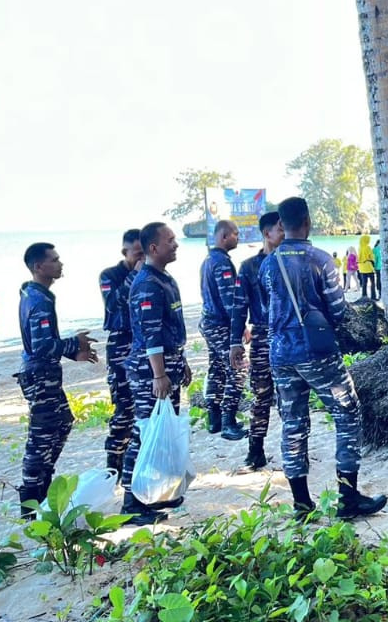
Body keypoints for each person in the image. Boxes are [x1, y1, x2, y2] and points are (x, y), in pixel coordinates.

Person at [262, 197, 387, 519]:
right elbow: (338, 310)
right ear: (307, 221)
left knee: (293, 424)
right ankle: (348, 498)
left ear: (281, 224)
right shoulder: (320, 259)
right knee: (347, 413)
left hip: (280, 353)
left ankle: (302, 504)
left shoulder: (269, 263)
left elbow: (266, 310)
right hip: (317, 353)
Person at [17, 242, 99, 517]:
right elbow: (41, 346)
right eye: (54, 260)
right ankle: (31, 503)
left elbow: (43, 342)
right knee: (40, 440)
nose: (60, 264)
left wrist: (73, 353)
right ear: (38, 267)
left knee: (62, 423)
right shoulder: (38, 299)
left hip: (45, 374)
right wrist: (74, 343)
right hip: (40, 377)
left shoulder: (37, 294)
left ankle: (42, 489)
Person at [121, 222, 192, 526]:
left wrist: (181, 361)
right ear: (153, 248)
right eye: (170, 240)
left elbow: (169, 328)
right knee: (146, 432)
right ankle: (131, 502)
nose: (175, 244)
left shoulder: (164, 278)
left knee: (163, 431)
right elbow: (150, 333)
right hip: (149, 370)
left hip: (168, 364)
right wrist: (159, 375)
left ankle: (157, 494)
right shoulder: (148, 284)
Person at [235, 210, 283, 470]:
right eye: (280, 228)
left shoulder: (291, 261)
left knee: (290, 396)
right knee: (261, 394)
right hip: (262, 335)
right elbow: (239, 307)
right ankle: (255, 450)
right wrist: (235, 342)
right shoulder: (249, 267)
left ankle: (296, 450)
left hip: (288, 335)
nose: (285, 233)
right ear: (267, 233)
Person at [98, 229, 143, 475]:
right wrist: (134, 274)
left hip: (142, 342)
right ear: (124, 252)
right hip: (120, 344)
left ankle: (135, 461)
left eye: (144, 253)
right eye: (137, 253)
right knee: (124, 406)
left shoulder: (151, 273)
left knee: (144, 405)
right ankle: (114, 461)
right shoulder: (110, 275)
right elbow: (113, 303)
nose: (141, 258)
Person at [199, 220, 247, 441]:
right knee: (238, 369)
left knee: (217, 369)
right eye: (236, 234)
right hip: (220, 325)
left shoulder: (209, 260)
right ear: (224, 236)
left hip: (209, 322)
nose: (238, 238)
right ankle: (228, 421)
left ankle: (214, 418)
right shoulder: (222, 263)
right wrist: (240, 328)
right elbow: (230, 301)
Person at [357, 235, 376, 301]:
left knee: (364, 283)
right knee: (372, 282)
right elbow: (371, 256)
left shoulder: (360, 247)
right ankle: (373, 296)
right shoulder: (368, 247)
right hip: (368, 267)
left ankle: (364, 296)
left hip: (361, 268)